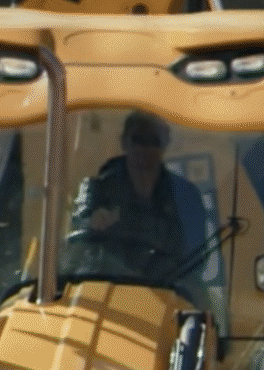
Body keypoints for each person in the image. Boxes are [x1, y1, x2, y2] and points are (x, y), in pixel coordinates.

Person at [70, 110, 203, 281]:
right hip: (105, 283)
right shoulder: (95, 190)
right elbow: (77, 237)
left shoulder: (186, 196)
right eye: (138, 140)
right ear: (124, 142)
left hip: (170, 285)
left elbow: (196, 256)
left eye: (153, 141)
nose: (145, 148)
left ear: (165, 144)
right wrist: (92, 223)